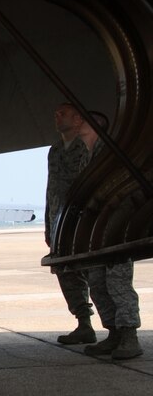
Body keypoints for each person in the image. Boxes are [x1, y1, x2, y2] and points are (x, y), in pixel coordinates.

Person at [78, 111, 144, 360]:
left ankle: (129, 335)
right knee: (97, 282)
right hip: (97, 232)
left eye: (83, 119)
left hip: (116, 229)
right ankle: (114, 333)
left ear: (96, 125)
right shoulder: (87, 155)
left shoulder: (112, 153)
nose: (78, 122)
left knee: (117, 282)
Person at [46, 103, 97, 345]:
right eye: (56, 114)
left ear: (78, 119)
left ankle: (118, 327)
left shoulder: (87, 146)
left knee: (94, 272)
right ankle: (83, 323)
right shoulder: (55, 150)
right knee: (66, 272)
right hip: (59, 221)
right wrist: (49, 224)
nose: (57, 116)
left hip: (83, 220)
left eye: (62, 113)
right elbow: (50, 190)